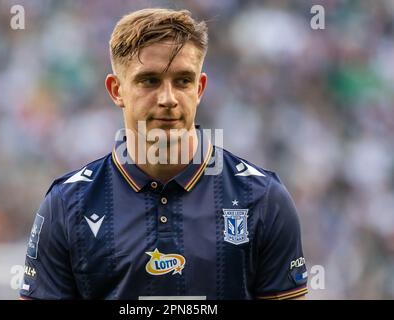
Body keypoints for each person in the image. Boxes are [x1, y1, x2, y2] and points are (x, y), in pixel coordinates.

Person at [19, 8, 308, 300]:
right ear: (116, 89)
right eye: (149, 81)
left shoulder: (263, 198)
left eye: (182, 80)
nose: (168, 99)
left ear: (200, 88)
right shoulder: (67, 205)